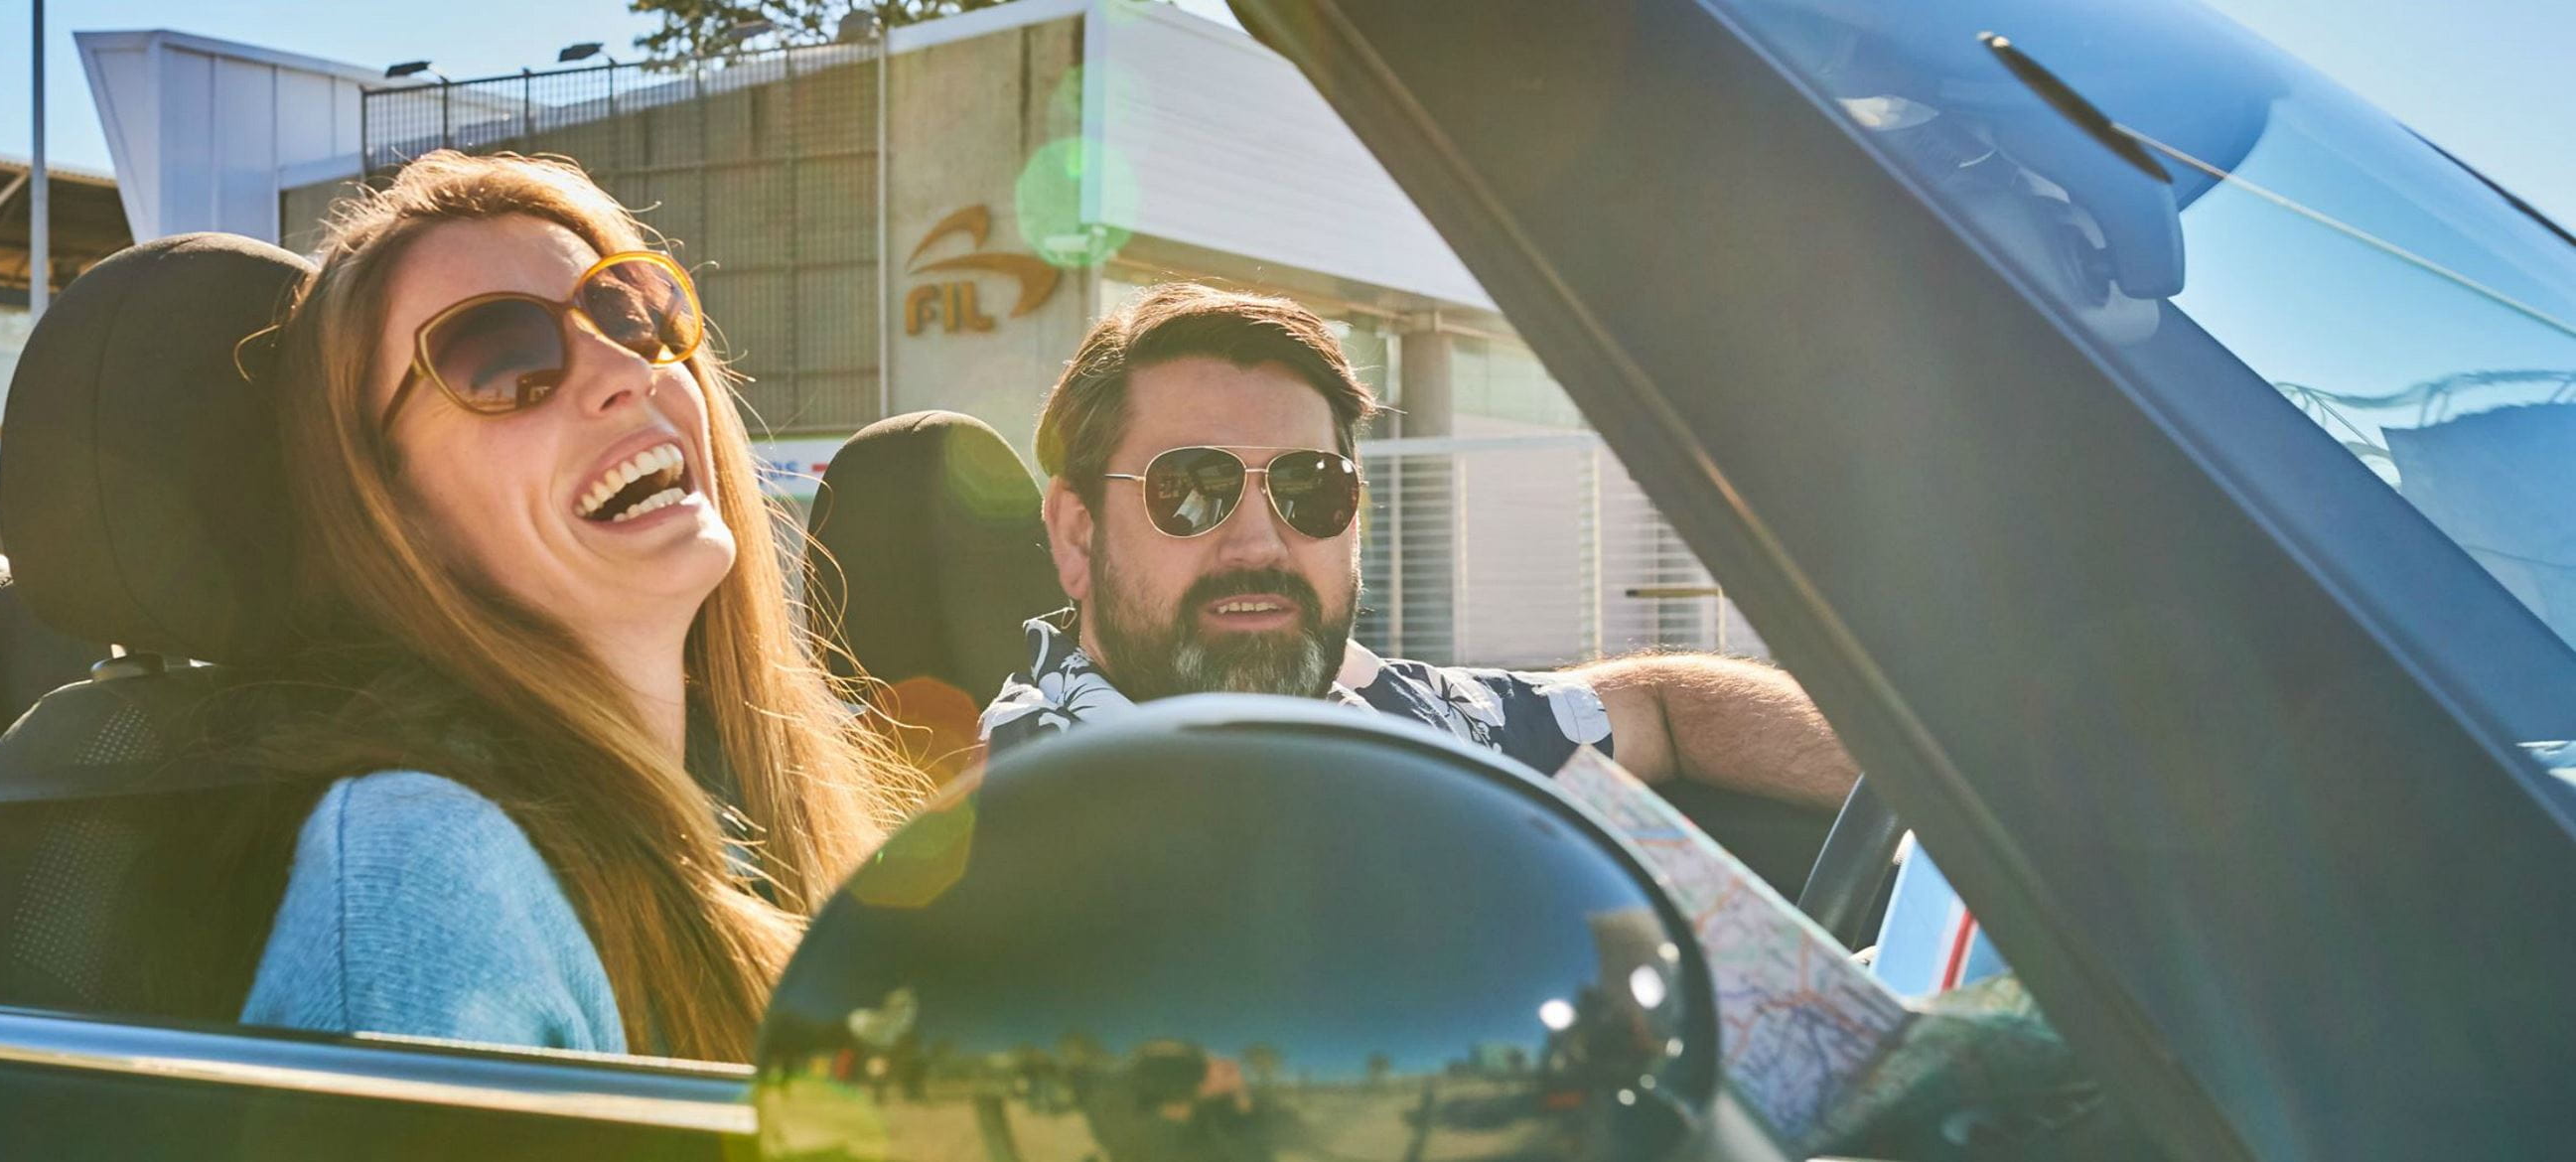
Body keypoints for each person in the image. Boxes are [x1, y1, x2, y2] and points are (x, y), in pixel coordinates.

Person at [231, 151, 915, 1061]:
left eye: (627, 315)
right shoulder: (425, 862)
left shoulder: (767, 803)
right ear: (391, 511)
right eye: (504, 360)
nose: (623, 372)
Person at [982, 283, 1856, 809]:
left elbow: (1665, 708)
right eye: (1191, 488)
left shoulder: (1407, 716)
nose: (1260, 541)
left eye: (1309, 487)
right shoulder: (1014, 813)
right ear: (1077, 533)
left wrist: (1948, 823)